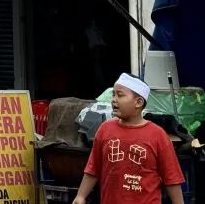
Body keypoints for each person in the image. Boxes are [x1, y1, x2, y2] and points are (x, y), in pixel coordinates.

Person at [73, 73, 185, 204]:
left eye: (120, 95)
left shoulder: (157, 135)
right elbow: (93, 168)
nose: (114, 100)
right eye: (113, 94)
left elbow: (172, 178)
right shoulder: (105, 129)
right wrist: (80, 196)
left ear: (138, 102)